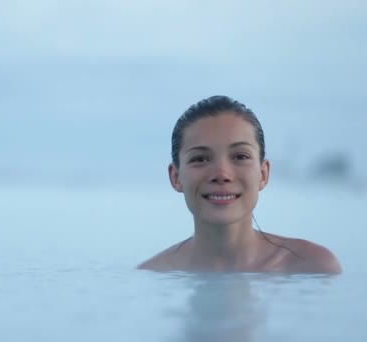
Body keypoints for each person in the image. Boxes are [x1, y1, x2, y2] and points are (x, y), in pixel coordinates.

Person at [138, 95, 342, 274]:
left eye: (240, 156)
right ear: (176, 177)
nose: (221, 174)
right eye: (200, 159)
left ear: (263, 174)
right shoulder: (155, 275)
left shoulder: (311, 268)